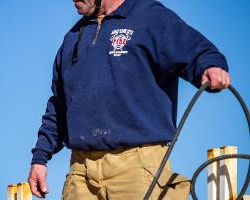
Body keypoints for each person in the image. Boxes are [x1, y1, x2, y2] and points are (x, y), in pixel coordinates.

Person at [28, 0, 231, 199]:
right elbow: (59, 104)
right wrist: (40, 157)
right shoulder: (72, 38)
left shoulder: (150, 17)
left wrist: (209, 66)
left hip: (137, 167)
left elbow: (195, 50)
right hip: (81, 173)